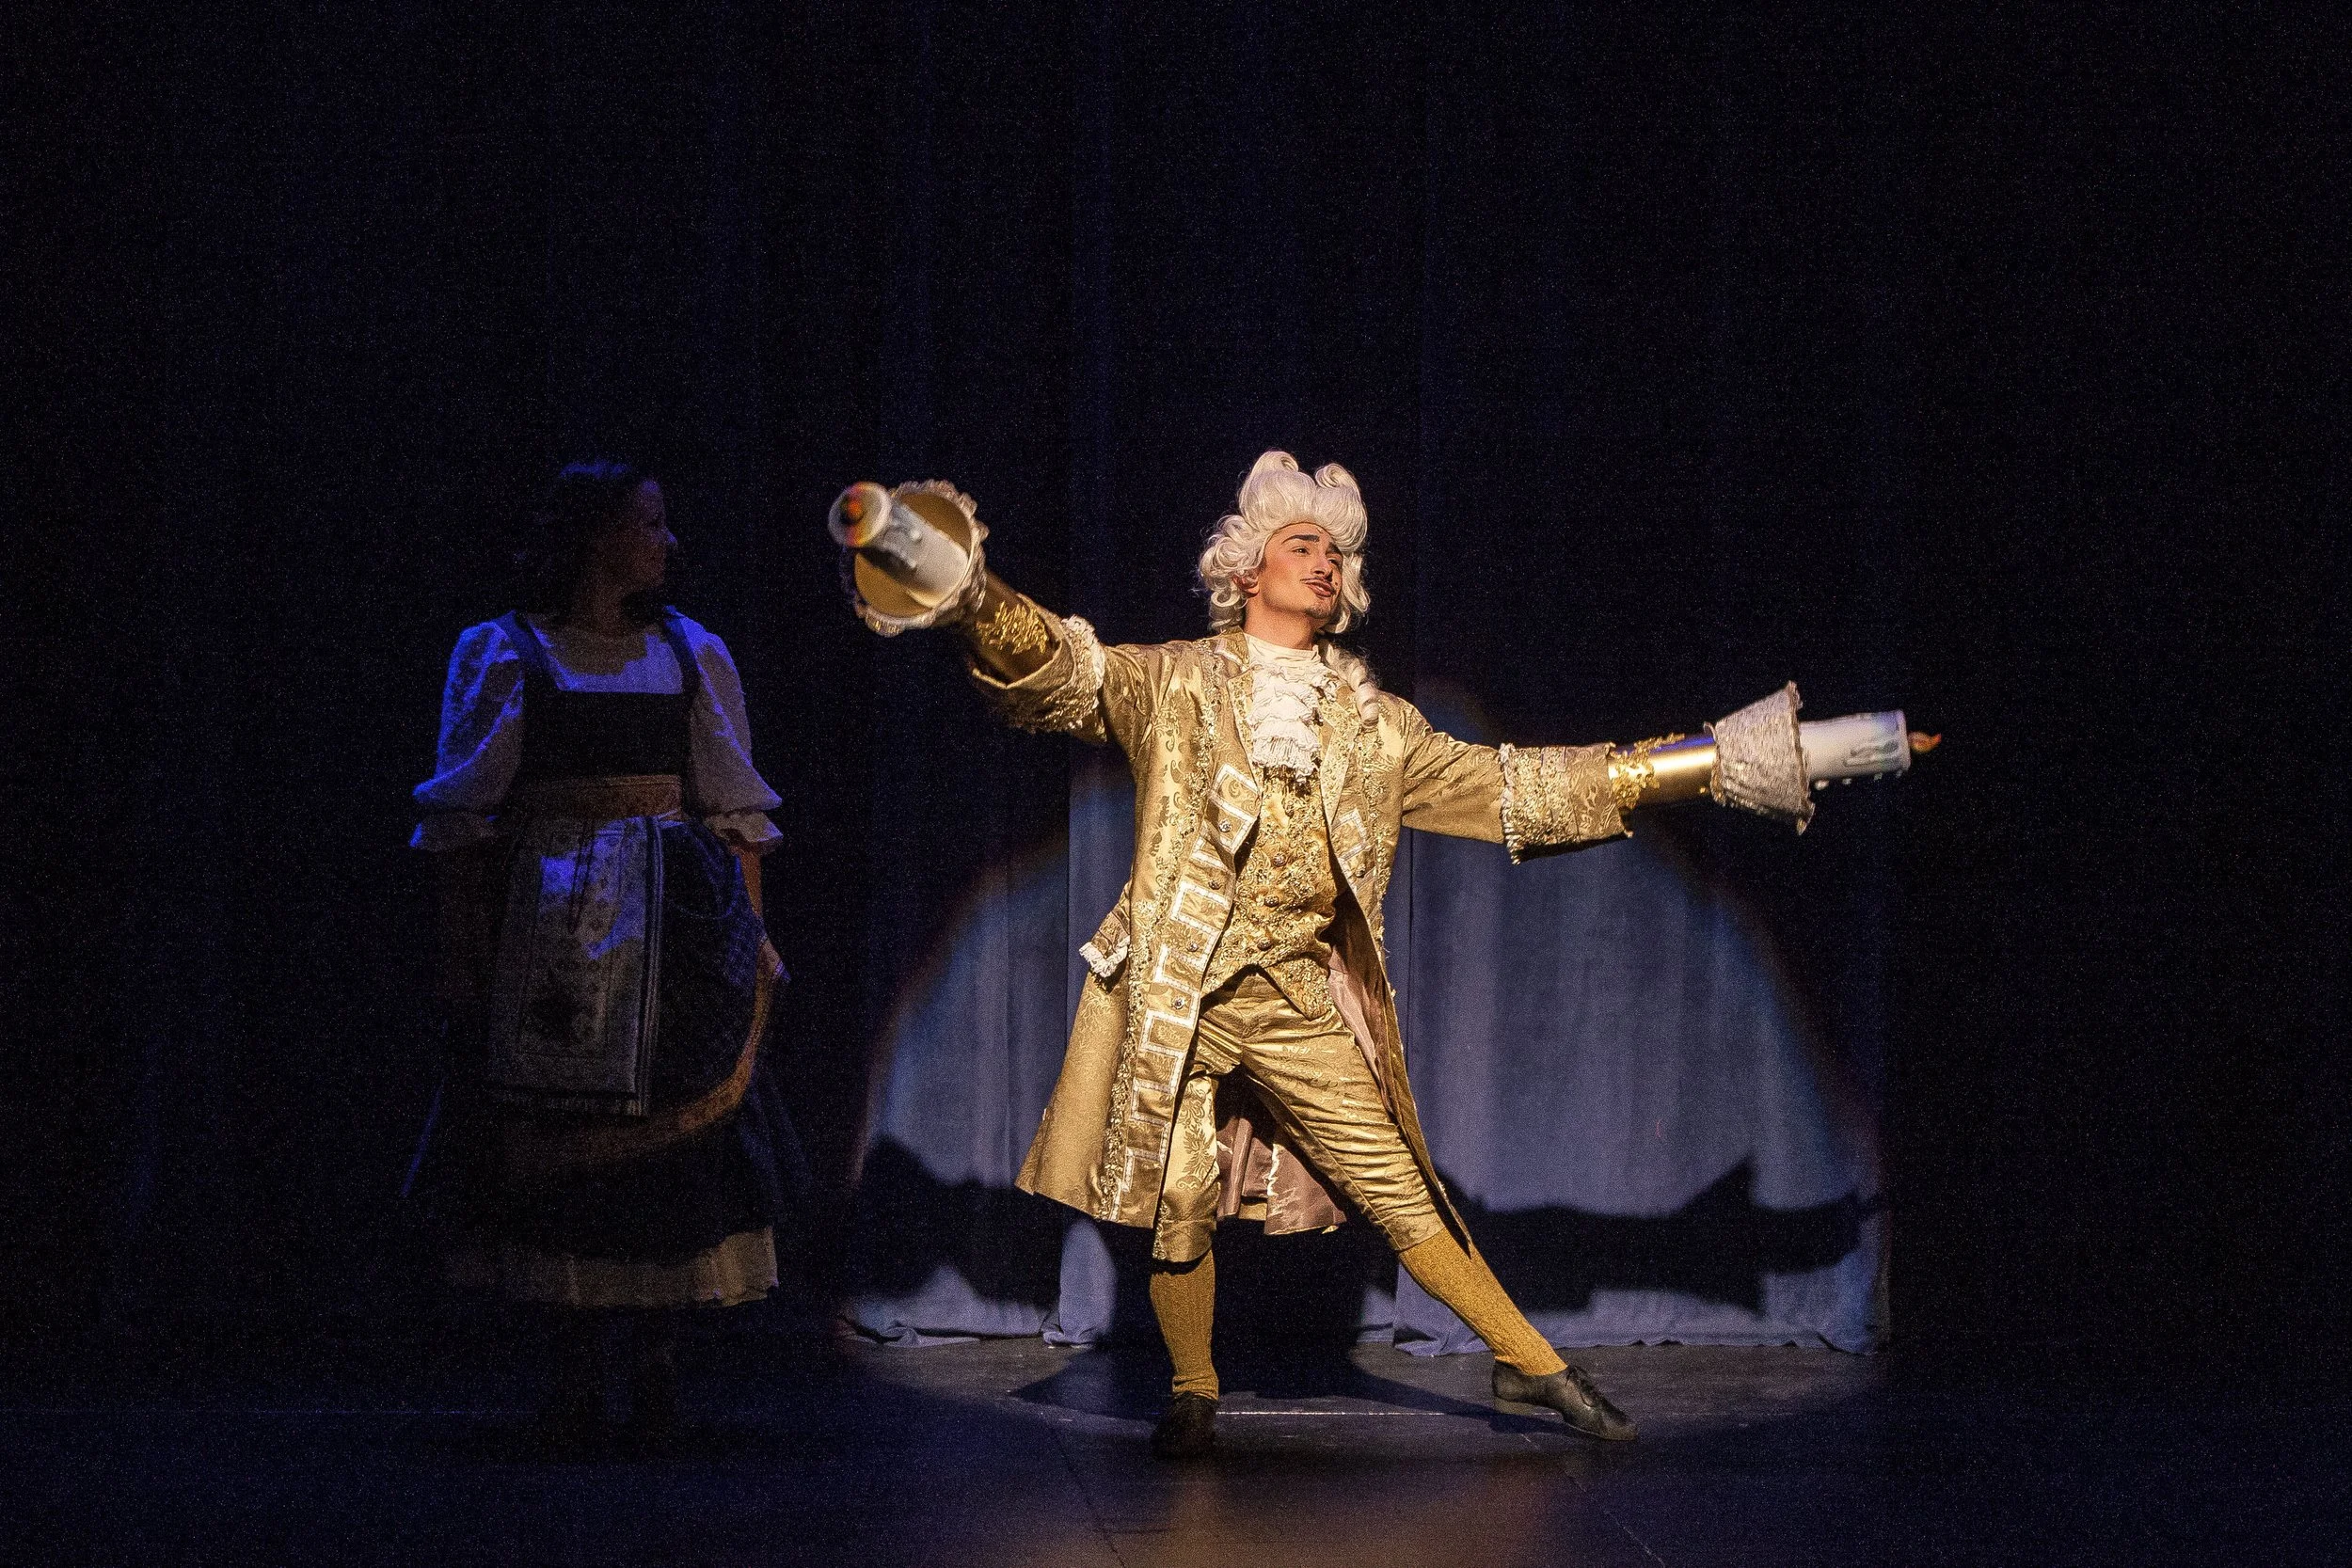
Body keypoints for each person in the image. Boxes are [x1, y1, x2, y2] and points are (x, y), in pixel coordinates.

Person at [833, 451, 1786, 1460]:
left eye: (1334, 551)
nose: (1323, 561)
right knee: (1182, 1198)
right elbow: (1065, 673)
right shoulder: (1176, 681)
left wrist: (1712, 766)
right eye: (1301, 544)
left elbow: (1519, 788)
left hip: (1292, 992)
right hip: (1177, 987)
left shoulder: (1378, 731)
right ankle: (1192, 1388)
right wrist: (969, 593)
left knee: (1396, 1181)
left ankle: (1529, 1359)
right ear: (1246, 570)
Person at [411, 460, 803, 1451]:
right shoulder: (503, 652)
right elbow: (460, 821)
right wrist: (462, 956)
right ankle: (576, 1355)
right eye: (649, 523)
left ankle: (657, 1353)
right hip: (552, 924)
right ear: (597, 536)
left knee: (672, 1128)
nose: (666, 543)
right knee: (561, 1131)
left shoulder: (690, 652)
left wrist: (753, 938)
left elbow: (735, 810)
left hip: (672, 928)